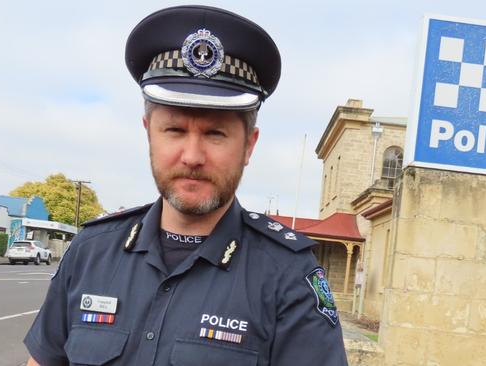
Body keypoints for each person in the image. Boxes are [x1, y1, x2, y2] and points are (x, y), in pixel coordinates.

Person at [24, 5, 348, 366]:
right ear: (149, 133)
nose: (192, 155)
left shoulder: (288, 275)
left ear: (249, 146)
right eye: (175, 130)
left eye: (215, 133)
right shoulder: (91, 252)